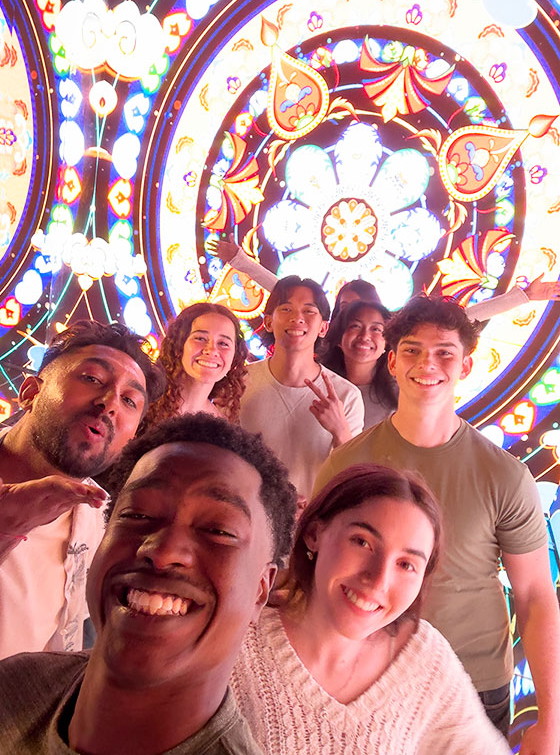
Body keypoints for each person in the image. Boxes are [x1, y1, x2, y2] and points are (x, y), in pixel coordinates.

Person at [0, 413, 297, 755]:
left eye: (218, 530)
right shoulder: (7, 691)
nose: (162, 552)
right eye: (137, 515)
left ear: (261, 590)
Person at [314, 297, 560, 753]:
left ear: (465, 366)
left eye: (444, 352)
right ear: (392, 361)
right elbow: (316, 575)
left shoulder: (504, 475)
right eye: (412, 350)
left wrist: (552, 719)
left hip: (473, 683)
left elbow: (535, 596)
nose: (427, 364)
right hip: (369, 673)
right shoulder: (347, 464)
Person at [231, 463, 511, 754]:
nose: (379, 580)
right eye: (362, 542)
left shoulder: (424, 658)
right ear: (314, 533)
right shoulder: (238, 643)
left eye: (406, 565)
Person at [0, 320, 165, 697]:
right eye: (92, 378)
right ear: (30, 391)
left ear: (130, 438)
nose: (109, 404)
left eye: (129, 401)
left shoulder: (97, 522)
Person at [209, 235, 560, 322]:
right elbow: (286, 292)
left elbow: (460, 318)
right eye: (346, 307)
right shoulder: (321, 340)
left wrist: (524, 297)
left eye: (361, 308)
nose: (353, 317)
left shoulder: (393, 340)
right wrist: (240, 260)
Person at [239, 275, 364, 502]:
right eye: (286, 309)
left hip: (315, 517)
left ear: (323, 327)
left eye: (309, 311)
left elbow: (353, 480)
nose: (297, 318)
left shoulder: (346, 396)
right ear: (268, 322)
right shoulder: (240, 382)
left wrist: (340, 431)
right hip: (248, 513)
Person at [144, 302, 247, 426]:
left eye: (223, 343)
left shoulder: (222, 429)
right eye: (200, 338)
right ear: (179, 344)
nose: (211, 350)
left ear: (234, 357)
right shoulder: (142, 396)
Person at [321, 299, 397, 428]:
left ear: (386, 343)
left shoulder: (400, 394)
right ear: (339, 336)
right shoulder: (319, 384)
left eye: (376, 329)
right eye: (355, 326)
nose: (365, 336)